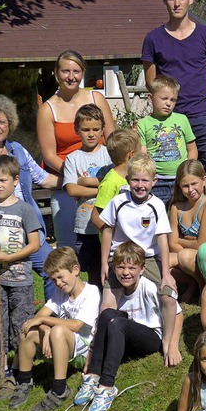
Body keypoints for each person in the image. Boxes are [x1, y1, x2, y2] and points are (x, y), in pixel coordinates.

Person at [0, 94, 59, 357]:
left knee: (51, 274)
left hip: (28, 230)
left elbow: (42, 178)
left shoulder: (18, 150)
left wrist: (78, 183)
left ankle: (45, 332)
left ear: (10, 124)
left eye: (2, 121)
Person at [74, 242, 183, 411]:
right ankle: (93, 375)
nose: (126, 272)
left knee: (117, 323)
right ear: (114, 269)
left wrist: (172, 346)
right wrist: (91, 353)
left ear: (142, 269)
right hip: (125, 338)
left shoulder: (148, 287)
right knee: (107, 314)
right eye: (121, 267)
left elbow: (177, 313)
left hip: (150, 336)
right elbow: (104, 321)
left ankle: (107, 386)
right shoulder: (117, 291)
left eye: (132, 268)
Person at [142, 0, 206, 201]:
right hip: (168, 119)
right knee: (173, 180)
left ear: (191, 0)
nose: (176, 3)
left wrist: (196, 97)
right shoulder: (153, 39)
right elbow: (152, 83)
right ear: (164, 1)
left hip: (201, 114)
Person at [99, 152, 179, 365]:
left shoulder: (157, 205)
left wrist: (166, 273)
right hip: (120, 258)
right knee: (107, 308)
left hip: (148, 258)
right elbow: (107, 230)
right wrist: (104, 264)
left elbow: (162, 238)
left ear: (154, 181)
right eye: (135, 179)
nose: (140, 185)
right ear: (127, 180)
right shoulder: (118, 202)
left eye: (145, 180)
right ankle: (100, 348)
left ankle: (168, 343)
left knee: (169, 298)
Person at [37, 50, 115, 248]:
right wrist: (75, 175)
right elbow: (49, 155)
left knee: (109, 241)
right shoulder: (47, 109)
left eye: (76, 71)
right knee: (68, 246)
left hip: (102, 179)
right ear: (56, 73)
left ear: (83, 73)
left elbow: (113, 142)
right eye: (65, 71)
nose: (71, 77)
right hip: (67, 181)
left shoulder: (96, 98)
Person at [8, 247, 100, 411]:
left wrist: (46, 323)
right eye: (53, 280)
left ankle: (59, 389)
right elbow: (38, 317)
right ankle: (24, 381)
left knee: (58, 329)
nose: (58, 283)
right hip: (59, 342)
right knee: (28, 330)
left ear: (75, 270)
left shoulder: (91, 292)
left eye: (60, 277)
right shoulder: (60, 294)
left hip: (82, 351)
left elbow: (77, 325)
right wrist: (45, 330)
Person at [0, 155, 41, 371]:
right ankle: (1, 366)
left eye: (3, 180)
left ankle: (19, 366)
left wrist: (9, 258)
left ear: (15, 180)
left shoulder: (24, 209)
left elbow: (35, 244)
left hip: (20, 277)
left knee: (20, 321)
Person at [63, 104, 112, 286]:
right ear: (77, 130)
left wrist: (84, 181)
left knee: (111, 266)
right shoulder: (73, 158)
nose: (91, 134)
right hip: (85, 225)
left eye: (95, 129)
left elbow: (118, 182)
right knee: (91, 269)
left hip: (108, 222)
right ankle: (94, 301)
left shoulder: (109, 155)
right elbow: (72, 189)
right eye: (85, 129)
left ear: (102, 130)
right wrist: (102, 188)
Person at [138, 74, 198, 206]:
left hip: (180, 180)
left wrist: (188, 171)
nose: (168, 103)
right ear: (150, 98)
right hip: (157, 181)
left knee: (182, 214)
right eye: (164, 98)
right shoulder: (143, 123)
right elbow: (143, 155)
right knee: (156, 216)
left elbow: (192, 148)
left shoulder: (182, 119)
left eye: (173, 100)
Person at [168, 159, 206, 295]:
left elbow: (202, 244)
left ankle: (205, 287)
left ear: (204, 180)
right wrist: (183, 245)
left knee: (184, 256)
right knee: (160, 262)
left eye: (194, 184)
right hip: (185, 253)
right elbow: (171, 244)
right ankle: (192, 283)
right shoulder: (176, 208)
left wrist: (180, 241)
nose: (190, 190)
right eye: (185, 186)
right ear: (179, 186)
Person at [90, 128, 141, 233]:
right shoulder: (110, 182)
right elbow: (96, 217)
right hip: (118, 245)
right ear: (131, 155)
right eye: (140, 151)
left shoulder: (134, 177)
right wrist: (113, 236)